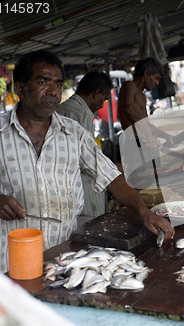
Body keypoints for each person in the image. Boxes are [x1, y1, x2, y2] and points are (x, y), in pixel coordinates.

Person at [0, 50, 174, 273]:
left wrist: (145, 213)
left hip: (64, 259)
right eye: (43, 82)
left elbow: (112, 178)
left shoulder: (74, 133)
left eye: (58, 85)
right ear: (20, 88)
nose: (52, 92)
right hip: (12, 260)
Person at [56, 72, 113, 223]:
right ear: (97, 93)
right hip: (82, 199)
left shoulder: (65, 108)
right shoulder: (80, 113)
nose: (101, 105)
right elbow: (85, 159)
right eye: (104, 99)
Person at [118, 57, 174, 149]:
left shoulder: (142, 96)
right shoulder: (129, 85)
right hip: (133, 142)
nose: (157, 83)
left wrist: (165, 135)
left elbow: (146, 123)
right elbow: (128, 109)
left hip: (145, 141)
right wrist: (149, 135)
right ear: (146, 73)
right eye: (156, 78)